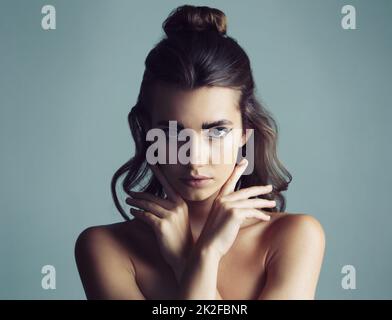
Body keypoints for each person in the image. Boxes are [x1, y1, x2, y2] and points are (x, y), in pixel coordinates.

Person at [74, 5, 325, 300]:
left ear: (245, 133)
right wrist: (201, 256)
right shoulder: (106, 247)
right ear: (147, 133)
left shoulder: (293, 238)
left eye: (217, 131)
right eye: (172, 133)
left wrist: (195, 256)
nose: (195, 159)